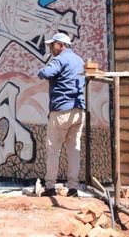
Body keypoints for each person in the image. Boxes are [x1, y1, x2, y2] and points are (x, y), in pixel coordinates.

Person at [36, 32, 85, 197]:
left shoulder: (60, 59)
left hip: (61, 110)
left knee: (53, 150)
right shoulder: (79, 60)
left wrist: (43, 69)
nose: (51, 48)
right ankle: (73, 188)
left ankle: (50, 187)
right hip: (79, 111)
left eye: (53, 45)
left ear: (60, 45)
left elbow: (45, 73)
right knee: (74, 151)